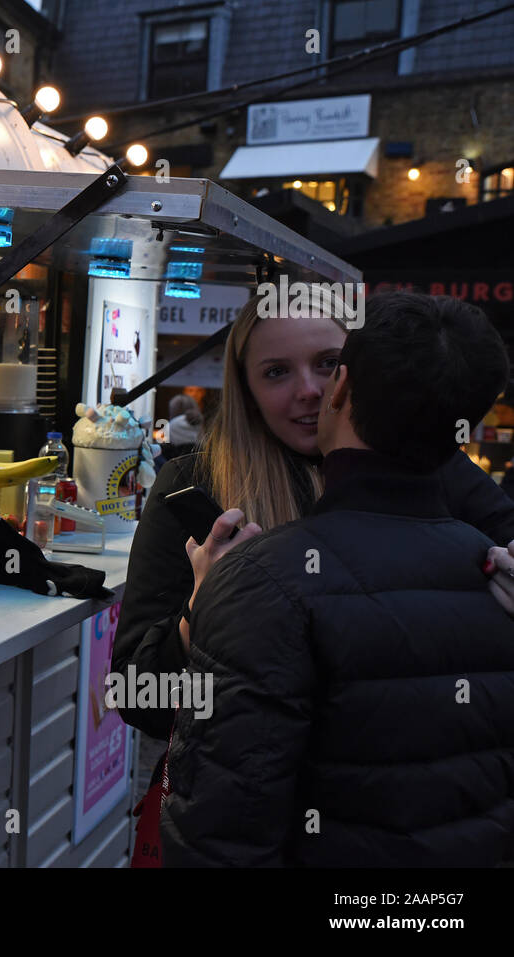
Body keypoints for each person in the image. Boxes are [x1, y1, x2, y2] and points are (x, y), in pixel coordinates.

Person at [160, 292, 514, 866]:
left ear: (346, 386)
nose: (311, 390)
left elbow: (224, 834)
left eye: (327, 366)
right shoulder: (487, 564)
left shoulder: (261, 579)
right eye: (276, 371)